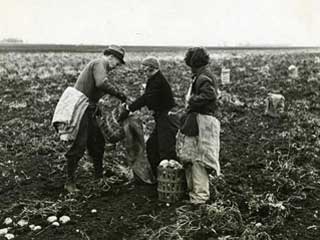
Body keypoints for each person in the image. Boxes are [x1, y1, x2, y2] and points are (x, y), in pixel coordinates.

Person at [62, 45, 127, 193]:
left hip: (90, 109)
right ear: (111, 57)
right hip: (82, 109)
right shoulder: (100, 63)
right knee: (79, 144)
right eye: (117, 63)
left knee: (98, 143)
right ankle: (70, 182)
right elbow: (101, 83)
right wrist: (119, 94)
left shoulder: (100, 65)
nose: (116, 66)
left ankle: (98, 178)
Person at [119, 56, 178, 177]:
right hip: (161, 117)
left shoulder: (157, 80)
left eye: (145, 69)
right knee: (152, 146)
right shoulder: (154, 79)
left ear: (152, 68)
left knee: (165, 150)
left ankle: (169, 179)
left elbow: (147, 98)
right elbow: (148, 97)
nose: (143, 72)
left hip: (167, 117)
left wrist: (130, 108)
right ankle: (158, 178)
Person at [177, 47, 221, 205]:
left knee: (198, 160)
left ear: (193, 63)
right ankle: (197, 194)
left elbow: (210, 95)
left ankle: (200, 198)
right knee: (197, 157)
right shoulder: (204, 75)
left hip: (202, 120)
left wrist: (192, 101)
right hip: (202, 119)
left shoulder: (202, 77)